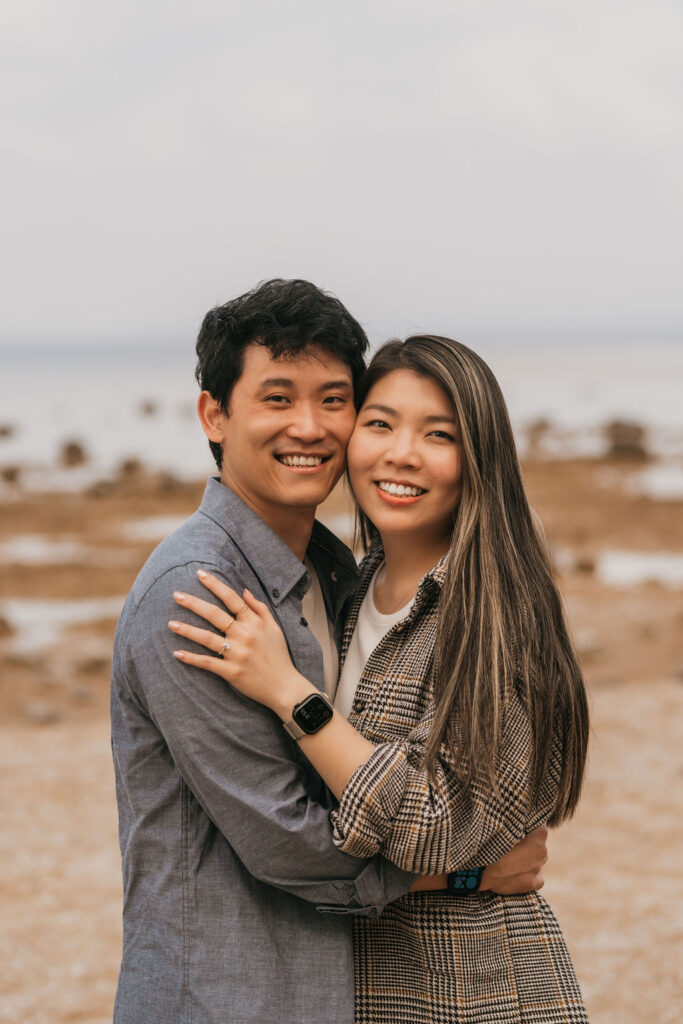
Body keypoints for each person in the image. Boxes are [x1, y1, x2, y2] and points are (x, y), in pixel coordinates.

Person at [111, 283, 546, 1024]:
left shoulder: (338, 575)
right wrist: (462, 875)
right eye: (276, 398)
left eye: (334, 400)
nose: (308, 428)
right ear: (215, 414)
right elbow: (287, 841)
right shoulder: (199, 593)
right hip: (222, 996)